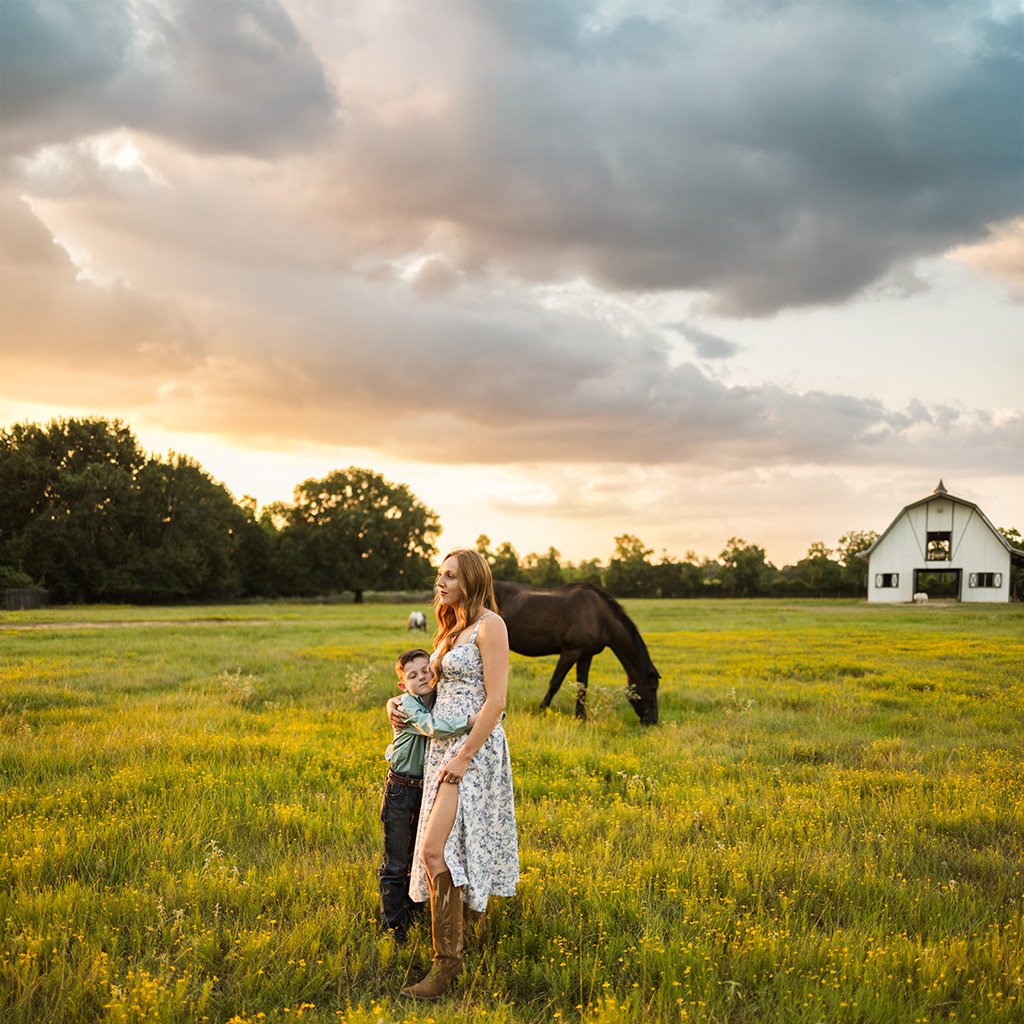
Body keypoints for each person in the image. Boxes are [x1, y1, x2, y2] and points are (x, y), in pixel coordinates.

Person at [397, 548, 519, 1000]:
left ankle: (446, 964)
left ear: (470, 578)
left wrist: (465, 756)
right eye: (438, 576)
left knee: (433, 850)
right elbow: (435, 691)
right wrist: (404, 709)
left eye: (449, 575)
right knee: (451, 846)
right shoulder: (452, 628)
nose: (440, 583)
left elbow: (496, 701)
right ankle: (464, 941)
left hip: (474, 751)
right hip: (441, 747)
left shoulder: (491, 625)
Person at [380, 648, 476, 943]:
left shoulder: (438, 700)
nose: (421, 677)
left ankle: (412, 911)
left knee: (417, 856)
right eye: (412, 675)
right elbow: (434, 728)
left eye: (425, 671)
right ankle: (393, 927)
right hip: (400, 789)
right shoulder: (407, 705)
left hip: (426, 789)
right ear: (402, 685)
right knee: (396, 861)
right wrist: (473, 721)